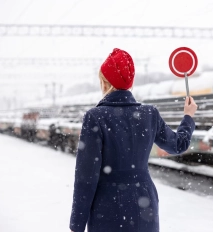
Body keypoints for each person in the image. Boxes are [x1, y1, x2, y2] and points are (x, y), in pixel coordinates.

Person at [70, 48, 197, 232]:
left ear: (104, 83)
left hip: (106, 206)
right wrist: (188, 117)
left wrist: (77, 225)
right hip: (143, 204)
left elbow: (86, 176)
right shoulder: (149, 114)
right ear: (131, 82)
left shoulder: (95, 117)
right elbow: (178, 144)